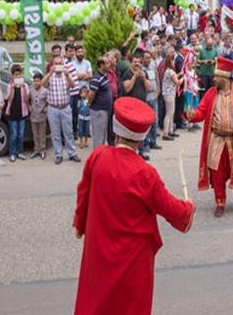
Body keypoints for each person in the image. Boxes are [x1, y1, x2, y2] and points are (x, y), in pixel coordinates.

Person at [73, 97, 194, 315]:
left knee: (95, 302)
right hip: (132, 261)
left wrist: (80, 226)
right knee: (128, 307)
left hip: (99, 251)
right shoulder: (146, 174)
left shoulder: (97, 157)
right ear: (141, 139)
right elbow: (174, 211)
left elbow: (83, 196)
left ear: (115, 130)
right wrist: (188, 207)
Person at [187, 56, 233, 217]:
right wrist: (192, 114)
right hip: (216, 139)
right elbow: (201, 112)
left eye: (217, 76)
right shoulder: (211, 93)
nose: (214, 79)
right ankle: (220, 202)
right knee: (217, 172)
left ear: (225, 77)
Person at [42, 55, 81, 165]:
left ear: (63, 65)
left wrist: (68, 76)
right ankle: (58, 154)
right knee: (55, 133)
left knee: (68, 132)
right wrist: (50, 72)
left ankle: (72, 153)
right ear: (53, 65)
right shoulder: (50, 76)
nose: (58, 66)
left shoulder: (66, 75)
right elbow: (43, 84)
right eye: (56, 64)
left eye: (60, 64)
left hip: (65, 107)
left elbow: (73, 86)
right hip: (53, 108)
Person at [5, 64, 30, 162]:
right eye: (16, 75)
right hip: (12, 113)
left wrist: (23, 87)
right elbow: (9, 99)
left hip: (22, 112)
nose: (17, 76)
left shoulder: (25, 86)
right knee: (13, 134)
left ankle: (20, 152)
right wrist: (12, 88)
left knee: (21, 133)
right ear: (12, 75)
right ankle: (12, 152)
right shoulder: (9, 85)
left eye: (19, 75)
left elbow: (27, 99)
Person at [140, 50, 161, 155]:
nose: (148, 60)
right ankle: (146, 143)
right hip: (146, 99)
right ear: (142, 59)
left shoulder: (152, 67)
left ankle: (153, 141)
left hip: (153, 97)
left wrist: (157, 90)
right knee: (146, 122)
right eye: (146, 58)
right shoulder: (141, 70)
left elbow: (156, 79)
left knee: (154, 121)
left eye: (149, 58)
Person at [160, 51, 181, 141]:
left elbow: (175, 77)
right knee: (169, 113)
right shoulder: (170, 71)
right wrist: (184, 77)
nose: (174, 63)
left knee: (171, 113)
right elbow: (178, 82)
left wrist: (179, 75)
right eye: (173, 61)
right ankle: (166, 132)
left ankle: (170, 130)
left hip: (168, 93)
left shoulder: (167, 71)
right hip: (169, 94)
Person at [28, 72, 48, 159]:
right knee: (35, 134)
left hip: (42, 115)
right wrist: (29, 106)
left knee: (42, 134)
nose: (36, 83)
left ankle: (42, 150)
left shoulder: (45, 91)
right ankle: (36, 150)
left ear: (41, 81)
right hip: (33, 115)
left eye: (38, 81)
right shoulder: (31, 90)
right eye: (35, 81)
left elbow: (49, 100)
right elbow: (27, 99)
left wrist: (46, 107)